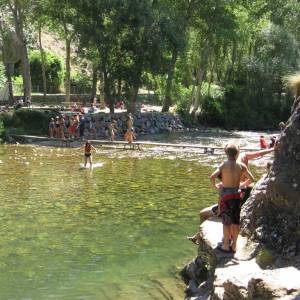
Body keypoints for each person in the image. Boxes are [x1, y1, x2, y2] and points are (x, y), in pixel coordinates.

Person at [187, 146, 275, 244]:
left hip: (228, 203)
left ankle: (205, 239)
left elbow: (213, 179)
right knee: (233, 220)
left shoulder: (225, 166)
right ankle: (227, 243)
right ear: (238, 151)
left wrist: (217, 187)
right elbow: (258, 155)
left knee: (203, 213)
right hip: (238, 201)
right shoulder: (243, 162)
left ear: (226, 153)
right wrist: (272, 149)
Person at [210, 143, 254, 253]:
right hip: (236, 195)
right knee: (235, 221)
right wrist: (242, 185)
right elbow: (252, 179)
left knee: (226, 221)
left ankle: (225, 245)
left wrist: (215, 186)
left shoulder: (223, 165)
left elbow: (212, 176)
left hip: (226, 195)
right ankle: (234, 245)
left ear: (226, 152)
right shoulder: (241, 165)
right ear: (237, 153)